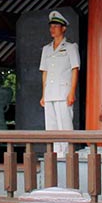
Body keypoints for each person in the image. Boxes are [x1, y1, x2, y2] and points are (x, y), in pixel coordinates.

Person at [39, 10, 80, 155]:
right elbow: (45, 72)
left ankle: (66, 155)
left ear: (63, 28)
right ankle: (55, 155)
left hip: (63, 92)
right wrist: (43, 95)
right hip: (50, 93)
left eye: (56, 26)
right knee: (51, 127)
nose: (52, 29)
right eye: (51, 26)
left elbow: (75, 69)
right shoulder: (46, 49)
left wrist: (72, 92)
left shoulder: (70, 47)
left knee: (65, 125)